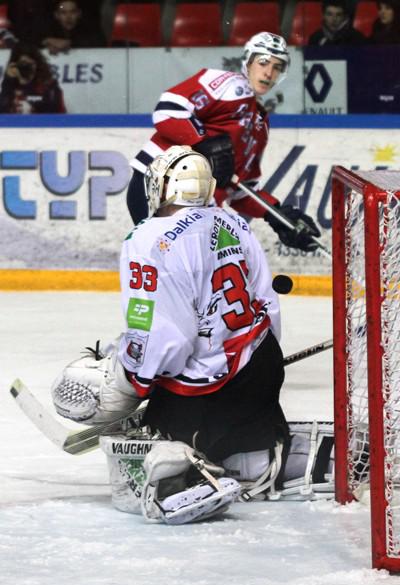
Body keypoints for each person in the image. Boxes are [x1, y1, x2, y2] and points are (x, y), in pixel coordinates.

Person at [51, 146, 334, 525]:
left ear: (163, 188)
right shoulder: (232, 223)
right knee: (240, 430)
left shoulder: (149, 238)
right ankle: (259, 457)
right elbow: (266, 302)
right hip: (261, 365)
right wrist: (254, 358)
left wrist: (132, 376)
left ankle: (193, 476)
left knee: (159, 447)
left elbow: (169, 336)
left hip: (206, 391)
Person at [127, 31, 321, 254]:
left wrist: (276, 214)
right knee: (177, 273)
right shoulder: (228, 85)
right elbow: (168, 109)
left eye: (277, 67)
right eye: (263, 62)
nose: (269, 72)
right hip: (158, 187)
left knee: (209, 276)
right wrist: (203, 145)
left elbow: (239, 188)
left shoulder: (260, 125)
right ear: (248, 62)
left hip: (199, 208)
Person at [0, 42, 66, 114]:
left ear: (37, 64)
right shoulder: (9, 85)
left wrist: (33, 110)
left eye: (30, 64)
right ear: (15, 65)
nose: (26, 68)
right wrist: (8, 81)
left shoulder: (48, 85)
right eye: (23, 64)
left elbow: (57, 114)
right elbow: (2, 112)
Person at [41, 0, 107, 55]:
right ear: (56, 15)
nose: (68, 17)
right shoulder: (48, 30)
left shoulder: (90, 30)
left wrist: (69, 43)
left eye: (73, 12)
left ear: (79, 14)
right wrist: (47, 42)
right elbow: (35, 43)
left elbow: (100, 44)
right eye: (63, 13)